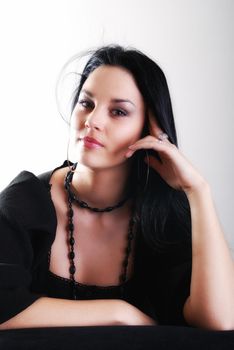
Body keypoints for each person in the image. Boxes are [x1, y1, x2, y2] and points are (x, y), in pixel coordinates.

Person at [0, 44, 233, 330]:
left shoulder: (162, 214)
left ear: (149, 129)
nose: (92, 121)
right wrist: (121, 313)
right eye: (86, 103)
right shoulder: (26, 201)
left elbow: (220, 323)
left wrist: (199, 191)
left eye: (119, 112)